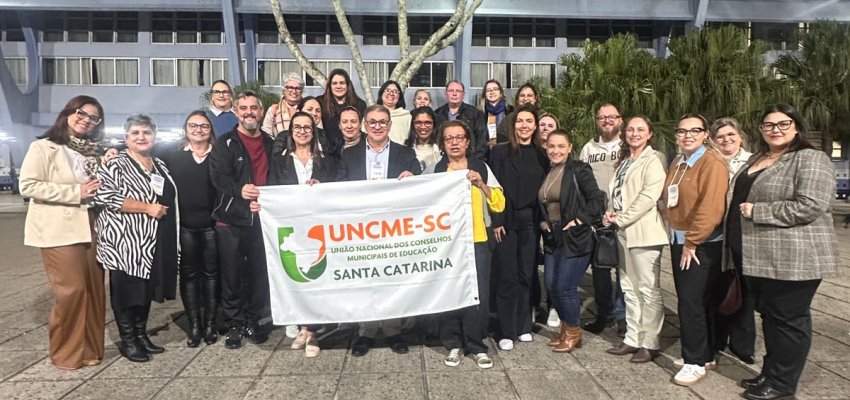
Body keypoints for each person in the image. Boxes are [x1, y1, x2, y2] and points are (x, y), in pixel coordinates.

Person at [732, 104, 839, 400]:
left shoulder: (810, 158)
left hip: (795, 256)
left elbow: (811, 205)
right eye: (768, 125)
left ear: (796, 126)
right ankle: (771, 372)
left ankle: (782, 384)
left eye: (783, 124)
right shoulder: (758, 158)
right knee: (771, 317)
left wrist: (759, 211)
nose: (775, 130)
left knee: (789, 320)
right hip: (761, 256)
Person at [19, 95, 107, 370]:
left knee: (94, 291)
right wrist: (74, 192)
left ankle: (90, 350)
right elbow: (28, 185)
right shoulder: (44, 147)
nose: (86, 120)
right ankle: (66, 354)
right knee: (71, 291)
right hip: (59, 229)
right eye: (82, 113)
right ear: (68, 112)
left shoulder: (94, 151)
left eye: (94, 117)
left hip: (92, 226)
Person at [94, 114, 179, 363]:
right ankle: (128, 339)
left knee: (144, 292)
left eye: (146, 133)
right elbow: (105, 196)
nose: (142, 137)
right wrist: (146, 208)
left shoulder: (159, 164)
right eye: (136, 133)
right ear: (126, 138)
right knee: (126, 293)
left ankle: (141, 334)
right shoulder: (115, 163)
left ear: (154, 136)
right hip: (125, 242)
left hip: (152, 241)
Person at [338, 104, 422, 356]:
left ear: (389, 125)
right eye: (372, 122)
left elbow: (419, 179)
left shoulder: (405, 153)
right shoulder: (348, 155)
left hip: (393, 228)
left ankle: (392, 330)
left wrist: (413, 176)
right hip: (361, 229)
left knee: (391, 278)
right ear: (364, 125)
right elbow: (339, 186)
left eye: (382, 122)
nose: (377, 126)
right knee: (366, 279)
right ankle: (366, 331)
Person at [425, 120, 505, 369]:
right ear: (443, 143)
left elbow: (500, 202)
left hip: (478, 241)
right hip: (447, 244)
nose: (455, 142)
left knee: (477, 294)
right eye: (449, 138)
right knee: (449, 292)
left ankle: (476, 344)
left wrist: (481, 185)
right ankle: (453, 343)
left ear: (468, 142)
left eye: (460, 137)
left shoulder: (481, 167)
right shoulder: (434, 170)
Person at [263, 111, 339, 357]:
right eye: (298, 127)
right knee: (298, 278)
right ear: (290, 131)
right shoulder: (280, 161)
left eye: (307, 127)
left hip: (319, 229)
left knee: (318, 277)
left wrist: (322, 188)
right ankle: (304, 327)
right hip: (292, 227)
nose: (303, 131)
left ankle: (313, 332)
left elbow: (337, 189)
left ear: (314, 131)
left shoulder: (327, 160)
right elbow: (272, 191)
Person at [662, 114, 729, 387]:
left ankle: (694, 361)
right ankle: (705, 353)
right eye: (682, 131)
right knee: (697, 301)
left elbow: (711, 207)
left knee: (690, 302)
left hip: (699, 244)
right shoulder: (679, 162)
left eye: (694, 131)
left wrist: (692, 241)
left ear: (705, 135)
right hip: (679, 239)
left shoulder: (711, 162)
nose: (687, 135)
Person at [209, 91, 273, 350]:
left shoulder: (270, 142)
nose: (249, 112)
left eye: (253, 108)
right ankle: (235, 323)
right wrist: (239, 191)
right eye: (243, 108)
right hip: (231, 220)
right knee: (233, 276)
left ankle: (255, 319)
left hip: (262, 219)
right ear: (236, 112)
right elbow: (219, 178)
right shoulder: (224, 143)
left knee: (259, 273)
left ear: (261, 112)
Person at [601, 116, 668, 363]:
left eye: (641, 129)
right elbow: (617, 194)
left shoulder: (654, 159)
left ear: (650, 133)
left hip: (644, 232)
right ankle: (632, 337)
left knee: (647, 289)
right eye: (630, 129)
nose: (634, 133)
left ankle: (650, 342)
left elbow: (648, 196)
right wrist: (610, 212)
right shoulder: (624, 162)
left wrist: (622, 217)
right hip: (623, 233)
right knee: (628, 287)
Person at [539, 128, 605, 353]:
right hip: (553, 237)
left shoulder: (579, 169)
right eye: (551, 146)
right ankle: (565, 330)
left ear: (569, 148)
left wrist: (579, 221)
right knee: (551, 285)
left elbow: (597, 199)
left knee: (565, 287)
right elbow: (546, 203)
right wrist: (543, 220)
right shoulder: (547, 171)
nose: (555, 150)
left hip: (575, 237)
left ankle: (574, 332)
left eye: (560, 146)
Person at [489, 104, 549, 351]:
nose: (524, 126)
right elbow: (493, 189)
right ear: (513, 126)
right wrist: (497, 220)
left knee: (526, 274)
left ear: (535, 126)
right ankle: (505, 330)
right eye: (519, 121)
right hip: (506, 222)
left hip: (530, 223)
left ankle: (524, 325)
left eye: (529, 121)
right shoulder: (500, 153)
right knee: (507, 277)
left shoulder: (542, 155)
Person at [158, 111, 219, 347]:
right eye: (193, 125)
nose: (199, 130)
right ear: (186, 129)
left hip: (211, 226)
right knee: (189, 275)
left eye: (204, 126)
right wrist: (113, 151)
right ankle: (194, 325)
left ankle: (211, 323)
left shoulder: (218, 155)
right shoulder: (171, 155)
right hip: (184, 226)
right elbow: (139, 152)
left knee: (212, 275)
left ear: (210, 130)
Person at [710, 116, 756, 365]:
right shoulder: (710, 160)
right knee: (716, 287)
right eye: (720, 137)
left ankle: (743, 343)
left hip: (741, 230)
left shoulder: (752, 161)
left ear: (740, 136)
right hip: (714, 231)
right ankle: (717, 338)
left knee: (743, 288)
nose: (726, 140)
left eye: (731, 135)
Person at [580, 103, 627, 337]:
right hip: (598, 219)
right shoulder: (589, 148)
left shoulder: (628, 146)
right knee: (600, 269)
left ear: (620, 120)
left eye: (612, 117)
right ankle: (604, 313)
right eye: (602, 117)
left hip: (625, 216)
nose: (607, 121)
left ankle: (623, 317)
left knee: (625, 270)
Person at [434, 80, 489, 162]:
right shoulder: (437, 114)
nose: (454, 94)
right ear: (446, 94)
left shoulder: (475, 113)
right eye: (451, 91)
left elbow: (482, 141)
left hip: (470, 160)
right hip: (443, 161)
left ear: (463, 94)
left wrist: (474, 161)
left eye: (458, 91)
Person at [318, 69, 367, 153]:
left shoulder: (360, 104)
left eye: (342, 83)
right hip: (327, 152)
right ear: (329, 86)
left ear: (348, 85)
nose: (338, 86)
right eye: (334, 83)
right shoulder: (320, 102)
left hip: (354, 151)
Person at [262, 73, 304, 137]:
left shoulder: (308, 108)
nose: (294, 91)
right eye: (290, 88)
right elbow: (266, 134)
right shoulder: (273, 110)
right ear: (284, 90)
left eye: (298, 88)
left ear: (302, 91)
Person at [405, 106, 441, 171]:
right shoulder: (404, 149)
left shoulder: (442, 148)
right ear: (413, 125)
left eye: (427, 123)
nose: (423, 127)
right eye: (418, 123)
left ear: (434, 124)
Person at [479, 79, 512, 146]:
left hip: (507, 149)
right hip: (487, 151)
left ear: (500, 93)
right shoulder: (479, 113)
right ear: (485, 94)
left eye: (495, 89)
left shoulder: (511, 110)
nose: (492, 92)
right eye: (488, 90)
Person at [377, 80, 411, 145]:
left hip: (400, 152)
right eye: (387, 90)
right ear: (381, 94)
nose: (391, 94)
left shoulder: (407, 116)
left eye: (395, 91)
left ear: (399, 96)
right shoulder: (372, 114)